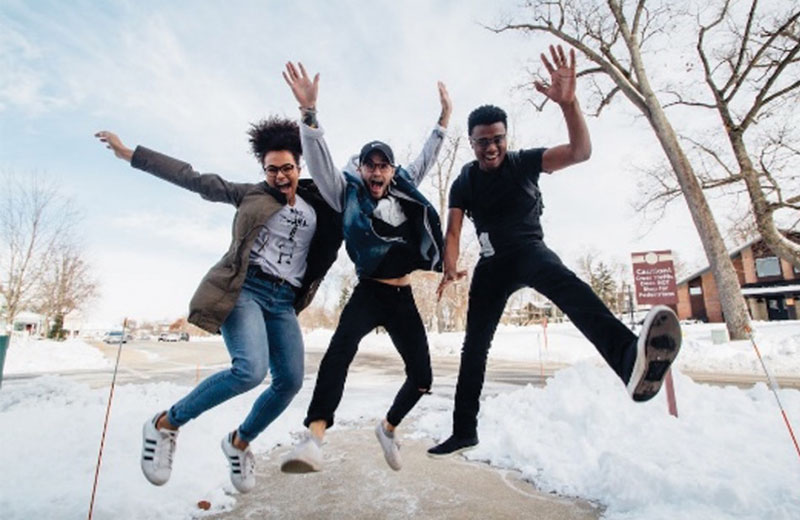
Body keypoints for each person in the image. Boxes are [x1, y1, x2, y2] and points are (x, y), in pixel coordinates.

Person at [427, 45, 682, 457]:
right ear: (470, 142)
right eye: (481, 143)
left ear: (505, 138)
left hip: (529, 250)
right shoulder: (464, 181)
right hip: (492, 266)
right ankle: (463, 430)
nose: (490, 148)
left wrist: (569, 104)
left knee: (570, 288)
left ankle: (628, 359)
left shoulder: (525, 162)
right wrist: (450, 267)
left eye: (497, 140)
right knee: (474, 347)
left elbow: (580, 152)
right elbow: (453, 230)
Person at [94, 118, 342, 492]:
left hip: (283, 302)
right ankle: (165, 424)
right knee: (249, 370)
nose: (279, 176)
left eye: (286, 168)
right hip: (244, 291)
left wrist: (311, 116)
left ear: (299, 167)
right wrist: (132, 154)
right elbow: (192, 178)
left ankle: (239, 443)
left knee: (289, 381)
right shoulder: (250, 194)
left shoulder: (318, 204)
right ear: (264, 170)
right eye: (271, 169)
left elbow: (347, 191)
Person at [279, 62, 451, 472]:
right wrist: (309, 117)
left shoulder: (403, 185)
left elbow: (427, 157)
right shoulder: (347, 194)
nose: (376, 172)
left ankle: (388, 428)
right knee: (338, 354)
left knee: (423, 377)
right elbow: (319, 164)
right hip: (369, 291)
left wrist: (444, 120)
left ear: (391, 170)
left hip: (402, 294)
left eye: (383, 165)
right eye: (370, 165)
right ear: (361, 169)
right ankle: (314, 438)